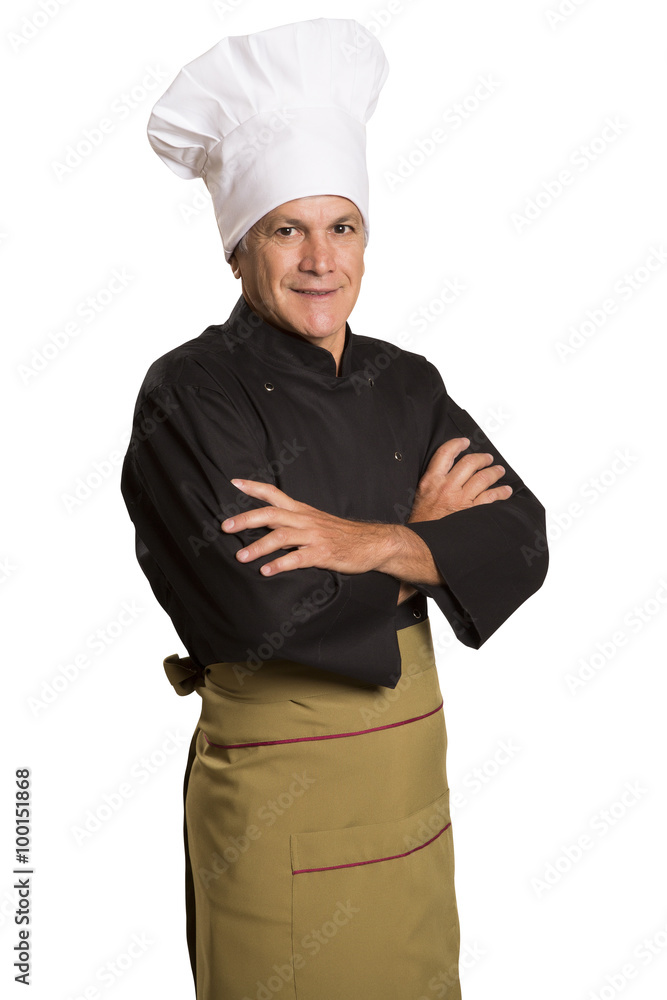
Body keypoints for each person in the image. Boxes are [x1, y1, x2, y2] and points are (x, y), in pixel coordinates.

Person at [120, 18, 548, 1000]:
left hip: (411, 794)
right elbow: (259, 609)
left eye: (341, 227)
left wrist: (365, 541)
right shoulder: (190, 394)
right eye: (286, 229)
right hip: (282, 803)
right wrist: (430, 543)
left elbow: (519, 541)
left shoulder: (407, 380)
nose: (320, 259)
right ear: (239, 249)